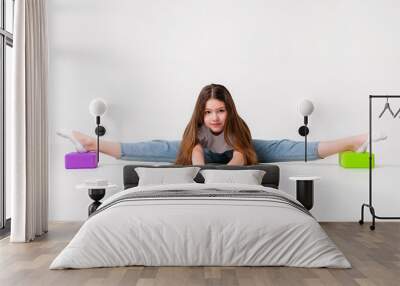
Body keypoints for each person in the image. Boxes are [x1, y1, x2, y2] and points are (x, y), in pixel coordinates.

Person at [57, 84, 387, 165]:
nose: (215, 117)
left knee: (288, 148)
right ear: (201, 114)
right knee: (156, 147)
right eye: (209, 112)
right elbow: (195, 152)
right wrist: (199, 174)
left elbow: (242, 155)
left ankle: (355, 140)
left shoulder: (236, 127)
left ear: (228, 111)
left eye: (220, 110)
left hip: (240, 152)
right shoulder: (196, 131)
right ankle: (91, 144)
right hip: (200, 154)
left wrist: (230, 176)